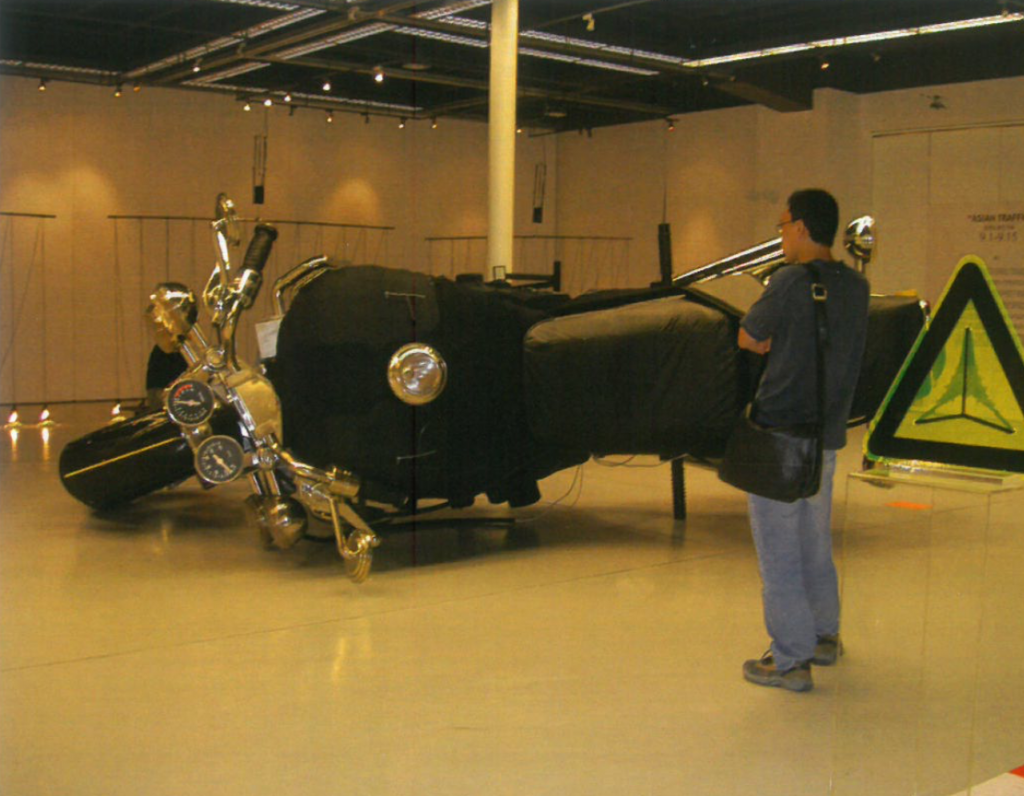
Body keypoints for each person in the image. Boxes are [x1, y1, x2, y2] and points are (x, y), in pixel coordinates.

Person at [737, 189, 870, 692]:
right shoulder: (857, 287)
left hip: (780, 437)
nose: (780, 234)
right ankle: (824, 635)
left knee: (778, 553)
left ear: (801, 227)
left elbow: (750, 336)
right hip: (827, 438)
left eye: (782, 225)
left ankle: (790, 659)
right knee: (814, 541)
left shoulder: (788, 280)